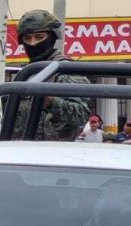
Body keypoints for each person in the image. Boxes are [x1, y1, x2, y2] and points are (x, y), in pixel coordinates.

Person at [14, 10, 90, 141]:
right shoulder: (24, 74)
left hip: (55, 152)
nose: (32, 44)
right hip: (22, 150)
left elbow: (82, 114)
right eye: (27, 38)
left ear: (52, 37)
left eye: (39, 37)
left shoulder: (64, 70)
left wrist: (51, 102)